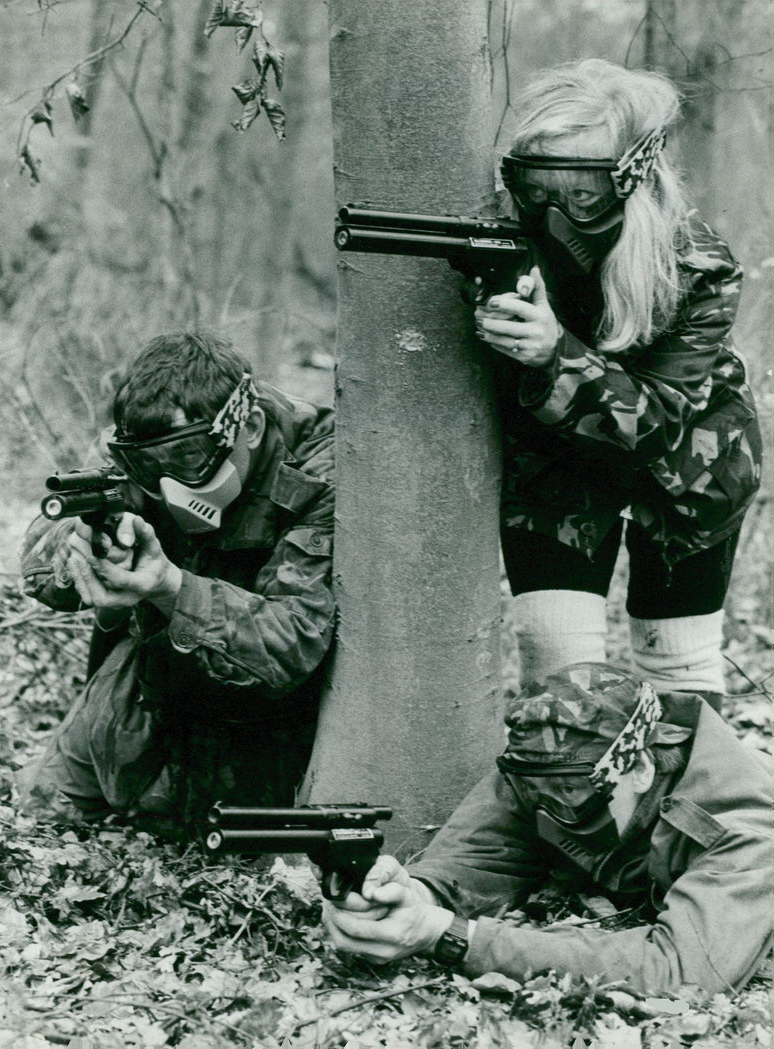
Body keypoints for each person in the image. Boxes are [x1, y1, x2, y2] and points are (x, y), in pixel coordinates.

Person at [474, 60, 761, 709]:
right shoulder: (500, 238)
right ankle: (577, 804)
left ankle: (696, 808)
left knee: (677, 669)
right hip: (556, 460)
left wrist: (554, 352)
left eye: (582, 195)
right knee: (559, 677)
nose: (554, 216)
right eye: (536, 188)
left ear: (630, 181)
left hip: (691, 463)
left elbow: (657, 423)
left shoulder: (696, 266)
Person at [18, 331, 335, 830]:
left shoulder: (322, 471)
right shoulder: (135, 442)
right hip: (146, 679)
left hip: (272, 713)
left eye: (185, 458)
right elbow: (39, 570)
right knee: (37, 820)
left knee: (221, 848)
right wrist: (89, 547)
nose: (168, 487)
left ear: (248, 427)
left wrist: (170, 586)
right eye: (150, 466)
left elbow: (295, 641)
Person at [323, 663, 773, 995]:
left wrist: (450, 936)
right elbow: (479, 854)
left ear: (638, 767)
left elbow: (678, 970)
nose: (550, 809)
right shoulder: (556, 769)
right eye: (533, 789)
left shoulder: (741, 827)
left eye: (572, 793)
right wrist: (411, 896)